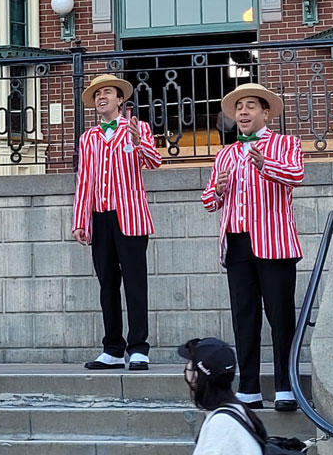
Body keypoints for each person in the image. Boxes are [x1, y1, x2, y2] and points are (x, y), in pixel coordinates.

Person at [200, 83, 304, 411]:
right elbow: (208, 201)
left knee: (280, 316)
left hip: (274, 242)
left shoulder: (286, 143)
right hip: (237, 243)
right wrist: (217, 189)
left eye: (250, 106)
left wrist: (264, 166)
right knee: (244, 317)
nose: (243, 112)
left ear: (265, 113)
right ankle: (248, 388)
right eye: (239, 108)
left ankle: (287, 386)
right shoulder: (226, 153)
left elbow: (296, 175)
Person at [72, 73, 162, 371]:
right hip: (100, 218)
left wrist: (139, 143)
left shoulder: (138, 128)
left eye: (107, 92)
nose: (101, 97)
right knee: (106, 284)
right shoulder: (89, 138)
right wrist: (80, 220)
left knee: (135, 283)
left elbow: (154, 162)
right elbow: (85, 180)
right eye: (97, 94)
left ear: (119, 99)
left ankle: (138, 348)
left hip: (131, 216)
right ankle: (112, 348)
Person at [180, 337, 264, 455]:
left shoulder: (221, 426)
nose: (186, 368)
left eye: (189, 363)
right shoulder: (236, 411)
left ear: (196, 376)